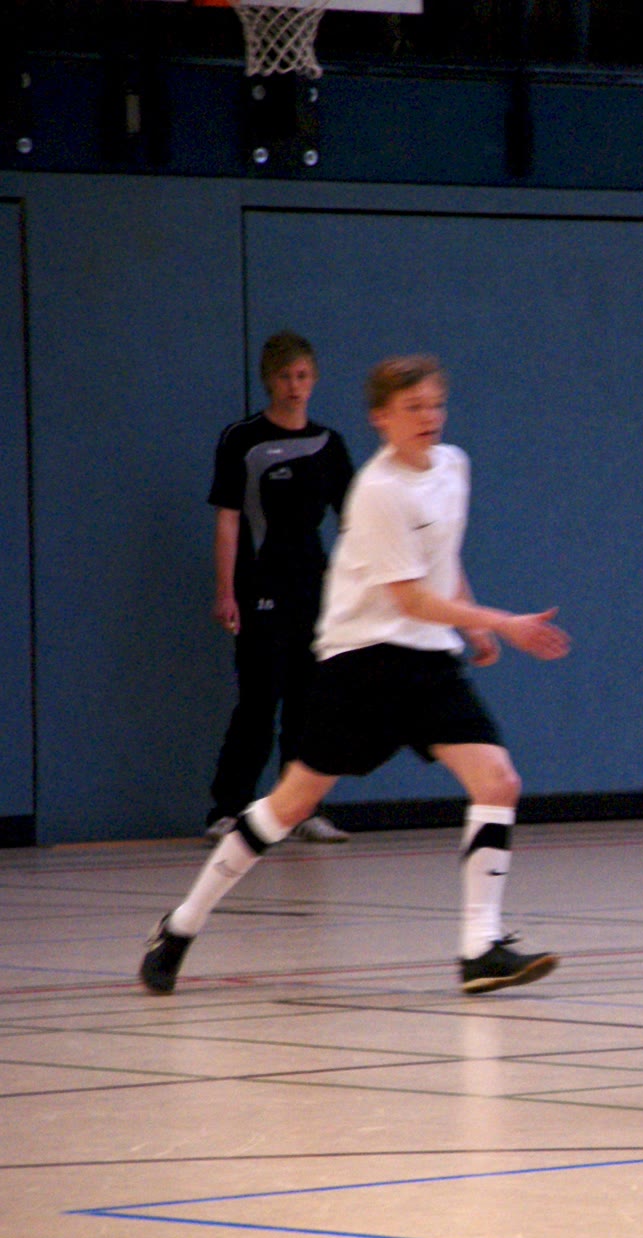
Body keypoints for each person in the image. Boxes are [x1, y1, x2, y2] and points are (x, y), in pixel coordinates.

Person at [143, 356, 571, 997]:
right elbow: (410, 598)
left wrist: (473, 622)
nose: (428, 417)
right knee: (291, 804)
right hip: (360, 663)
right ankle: (180, 926)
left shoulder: (454, 466)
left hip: (428, 660)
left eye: (435, 404)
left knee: (498, 781)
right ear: (380, 419)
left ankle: (479, 947)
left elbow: (440, 559)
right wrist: (502, 622)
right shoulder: (377, 491)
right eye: (412, 408)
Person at [205, 331, 355, 843]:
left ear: (314, 379)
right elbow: (228, 519)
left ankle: (303, 809)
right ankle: (229, 808)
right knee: (259, 699)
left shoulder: (330, 445)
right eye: (285, 377)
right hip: (259, 587)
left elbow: (355, 521)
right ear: (269, 380)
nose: (295, 386)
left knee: (309, 703)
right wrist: (226, 590)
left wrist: (352, 589)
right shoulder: (242, 440)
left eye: (303, 376)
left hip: (314, 588)